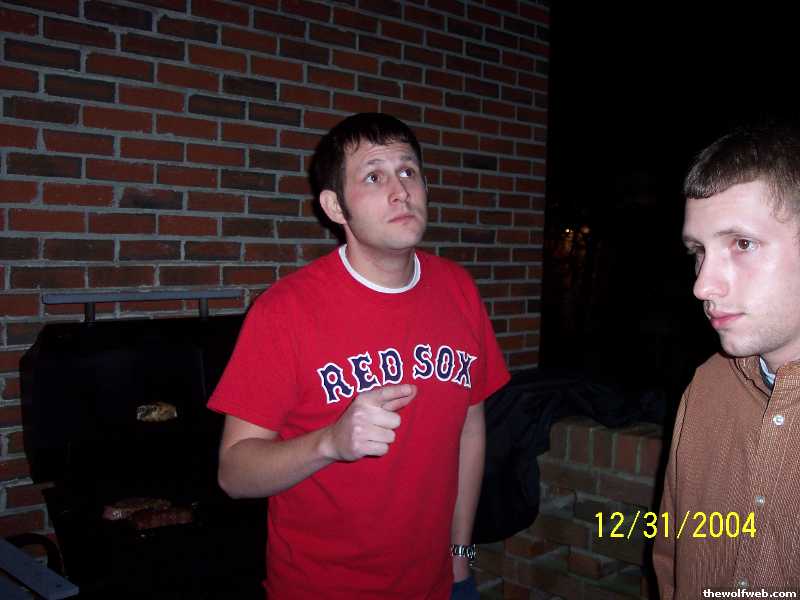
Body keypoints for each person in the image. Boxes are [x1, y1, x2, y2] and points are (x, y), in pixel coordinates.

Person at [208, 112, 510, 599]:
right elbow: (234, 474)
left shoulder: (459, 290)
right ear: (335, 206)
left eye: (408, 171)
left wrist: (461, 555)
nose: (400, 191)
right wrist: (329, 442)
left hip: (439, 585)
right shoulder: (284, 311)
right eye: (374, 176)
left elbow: (470, 428)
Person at [653, 124, 800, 598]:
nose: (702, 286)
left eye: (742, 244)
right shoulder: (707, 386)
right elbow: (671, 556)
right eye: (698, 251)